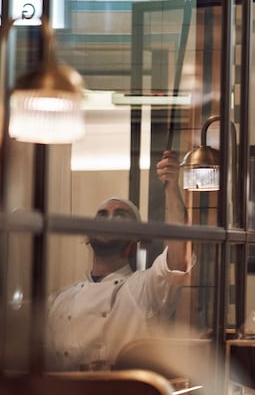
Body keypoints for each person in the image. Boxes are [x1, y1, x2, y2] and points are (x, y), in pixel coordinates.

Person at [46, 150, 193, 372]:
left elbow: (179, 252)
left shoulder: (145, 287)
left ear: (136, 236)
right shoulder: (59, 301)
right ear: (87, 235)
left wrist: (172, 187)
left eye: (120, 216)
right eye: (102, 216)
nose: (109, 220)